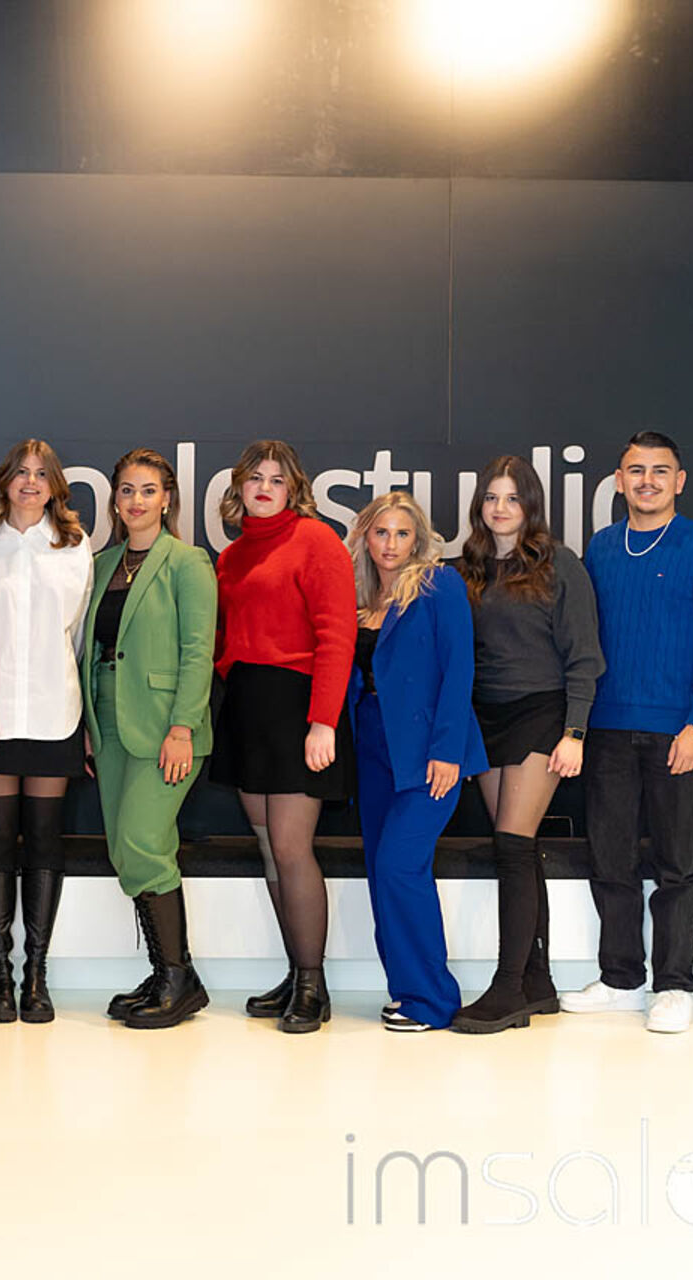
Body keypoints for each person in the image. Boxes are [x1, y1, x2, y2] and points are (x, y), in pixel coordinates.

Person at [563, 431, 693, 1033]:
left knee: (676, 864)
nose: (647, 481)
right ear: (619, 481)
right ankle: (620, 978)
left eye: (660, 470)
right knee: (610, 860)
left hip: (678, 733)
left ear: (679, 481)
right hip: (608, 729)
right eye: (636, 470)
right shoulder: (601, 547)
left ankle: (673, 984)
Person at [450, 457, 603, 1034]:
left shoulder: (559, 564)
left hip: (541, 712)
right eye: (491, 498)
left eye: (512, 498)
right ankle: (537, 982)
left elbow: (585, 656)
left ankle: (507, 987)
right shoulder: (466, 569)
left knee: (512, 846)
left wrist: (575, 731)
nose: (500, 508)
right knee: (515, 846)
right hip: (485, 716)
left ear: (531, 506)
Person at [210, 439, 356, 1034]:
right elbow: (225, 636)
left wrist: (323, 720)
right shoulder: (231, 556)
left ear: (294, 488)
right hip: (249, 706)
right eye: (255, 479)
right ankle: (297, 973)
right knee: (269, 848)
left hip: (300, 708)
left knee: (294, 849)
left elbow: (337, 634)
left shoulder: (317, 541)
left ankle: (314, 987)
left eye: (277, 479)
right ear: (239, 488)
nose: (265, 488)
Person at [345, 492, 488, 1032]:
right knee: (382, 870)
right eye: (381, 532)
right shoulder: (358, 596)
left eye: (402, 533)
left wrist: (447, 750)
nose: (391, 544)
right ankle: (406, 990)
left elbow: (459, 670)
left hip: (428, 750)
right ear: (366, 537)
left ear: (418, 540)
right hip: (372, 747)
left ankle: (431, 1000)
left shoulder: (439, 585)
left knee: (400, 866)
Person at [85, 449, 217, 1030]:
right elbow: (92, 648)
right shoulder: (103, 563)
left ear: (167, 499)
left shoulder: (188, 562)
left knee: (144, 841)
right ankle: (167, 973)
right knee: (125, 847)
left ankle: (178, 979)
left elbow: (198, 650)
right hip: (109, 721)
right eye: (126, 490)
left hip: (167, 726)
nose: (135, 501)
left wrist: (183, 726)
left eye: (147, 490)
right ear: (114, 500)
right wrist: (90, 727)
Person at [0, 440, 93, 1024]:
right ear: (4, 481)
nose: (31, 482)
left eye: (42, 474)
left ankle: (35, 977)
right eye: (21, 472)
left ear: (55, 485)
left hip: (53, 713)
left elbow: (79, 635)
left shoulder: (74, 545)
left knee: (43, 840)